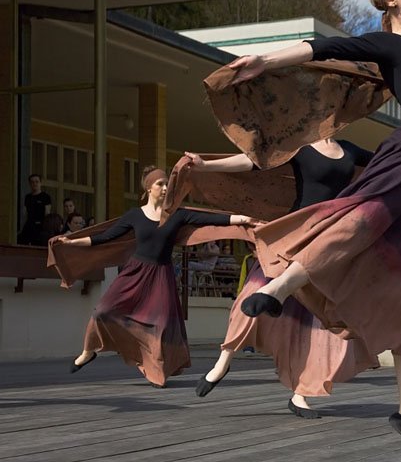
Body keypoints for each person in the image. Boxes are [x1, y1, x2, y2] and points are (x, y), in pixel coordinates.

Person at [220, 0, 401, 462]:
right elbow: (326, 47)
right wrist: (266, 61)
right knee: (361, 218)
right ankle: (278, 287)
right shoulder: (389, 45)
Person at [186, 139, 377, 418]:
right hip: (295, 232)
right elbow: (254, 161)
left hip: (329, 239)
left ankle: (301, 393)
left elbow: (389, 161)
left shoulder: (350, 149)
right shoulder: (299, 147)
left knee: (320, 318)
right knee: (255, 293)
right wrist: (205, 165)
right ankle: (223, 361)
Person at [53, 166, 257, 387]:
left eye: (167, 183)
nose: (165, 187)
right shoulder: (134, 215)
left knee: (159, 326)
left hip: (161, 275)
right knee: (103, 311)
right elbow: (104, 238)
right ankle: (88, 351)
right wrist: (72, 241)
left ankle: (156, 370)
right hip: (135, 273)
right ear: (149, 188)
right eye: (160, 183)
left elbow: (209, 218)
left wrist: (242, 218)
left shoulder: (177, 214)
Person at [18, 173, 52, 245]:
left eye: (37, 181)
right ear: (30, 184)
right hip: (29, 224)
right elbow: (25, 213)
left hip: (40, 225)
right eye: (32, 182)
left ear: (40, 183)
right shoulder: (28, 197)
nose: (35, 184)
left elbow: (47, 213)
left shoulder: (45, 196)